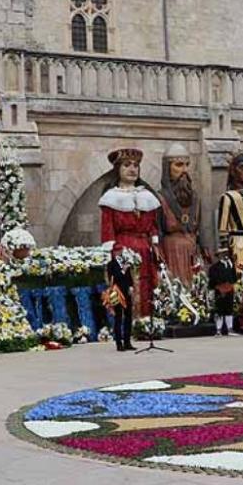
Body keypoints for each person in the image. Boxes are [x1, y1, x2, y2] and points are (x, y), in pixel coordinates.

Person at [99, 148, 162, 317]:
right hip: (123, 248)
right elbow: (107, 229)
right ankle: (128, 324)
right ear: (118, 169)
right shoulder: (111, 197)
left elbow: (153, 226)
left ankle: (148, 320)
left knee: (148, 284)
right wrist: (112, 253)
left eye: (136, 165)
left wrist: (155, 245)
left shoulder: (147, 196)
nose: (132, 169)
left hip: (145, 249)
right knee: (126, 286)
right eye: (127, 165)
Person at [157, 145, 201, 287]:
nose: (184, 170)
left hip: (192, 251)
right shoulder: (160, 198)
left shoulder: (194, 197)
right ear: (167, 168)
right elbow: (157, 231)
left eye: (187, 165)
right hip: (172, 252)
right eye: (179, 165)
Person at [104, 245, 137, 352]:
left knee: (128, 316)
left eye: (120, 250)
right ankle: (119, 343)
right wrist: (123, 270)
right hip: (117, 293)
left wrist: (131, 286)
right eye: (117, 251)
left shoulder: (125, 262)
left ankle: (127, 341)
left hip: (126, 291)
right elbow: (114, 278)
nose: (119, 252)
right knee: (118, 317)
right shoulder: (111, 265)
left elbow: (129, 276)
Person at [208, 245, 238, 337]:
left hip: (229, 289)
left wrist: (230, 286)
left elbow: (234, 278)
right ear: (219, 255)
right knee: (219, 311)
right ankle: (218, 330)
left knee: (229, 310)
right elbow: (212, 280)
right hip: (219, 291)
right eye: (223, 253)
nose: (225, 255)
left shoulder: (231, 265)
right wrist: (219, 288)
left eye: (226, 253)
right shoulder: (214, 267)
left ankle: (230, 329)